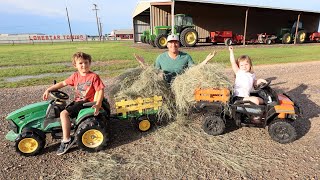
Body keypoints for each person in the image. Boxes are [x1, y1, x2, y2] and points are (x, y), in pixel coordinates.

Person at [42, 52, 105, 155]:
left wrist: (98, 104)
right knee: (63, 108)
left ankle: (66, 140)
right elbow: (63, 83)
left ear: (90, 63)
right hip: (78, 101)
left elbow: (100, 90)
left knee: (63, 113)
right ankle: (68, 126)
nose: (84, 65)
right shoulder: (75, 76)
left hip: (86, 102)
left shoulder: (94, 76)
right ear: (75, 65)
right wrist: (49, 89)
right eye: (80, 63)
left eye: (86, 62)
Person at [135, 34, 216, 84]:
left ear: (179, 44)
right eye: (170, 42)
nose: (173, 45)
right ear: (167, 45)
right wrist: (143, 63)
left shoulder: (186, 57)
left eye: (175, 42)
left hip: (181, 87)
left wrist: (206, 60)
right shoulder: (160, 58)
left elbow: (194, 69)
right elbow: (153, 72)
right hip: (166, 88)